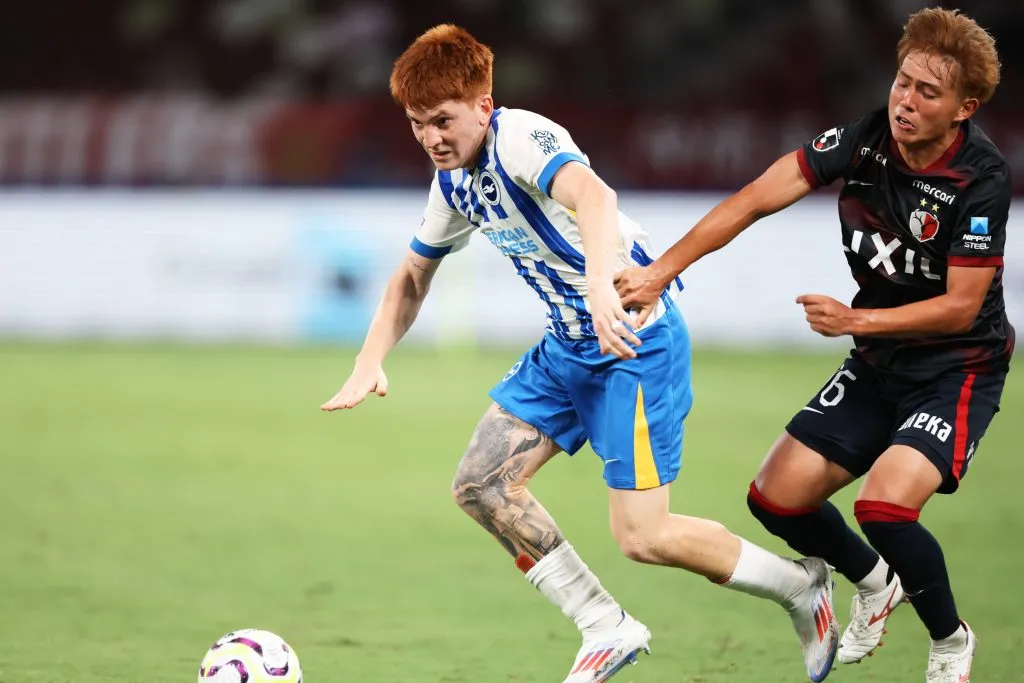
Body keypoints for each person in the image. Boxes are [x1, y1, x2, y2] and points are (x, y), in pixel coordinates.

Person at [321, 24, 840, 683]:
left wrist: (600, 283)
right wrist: (370, 358)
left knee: (644, 537)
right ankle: (605, 625)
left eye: (442, 120)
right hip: (567, 347)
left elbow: (595, 196)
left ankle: (799, 585)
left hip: (634, 339)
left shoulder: (521, 138)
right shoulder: (452, 182)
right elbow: (411, 275)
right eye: (418, 124)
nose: (430, 137)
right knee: (480, 485)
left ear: (483, 104)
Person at [615, 8, 1010, 683]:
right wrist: (661, 271)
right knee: (775, 498)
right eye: (902, 82)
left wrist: (855, 322)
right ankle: (874, 581)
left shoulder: (981, 178)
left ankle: (949, 640)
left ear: (964, 108)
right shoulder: (864, 139)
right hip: (878, 361)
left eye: (927, 92)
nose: (904, 101)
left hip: (955, 368)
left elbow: (959, 307)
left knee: (884, 506)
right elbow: (753, 199)